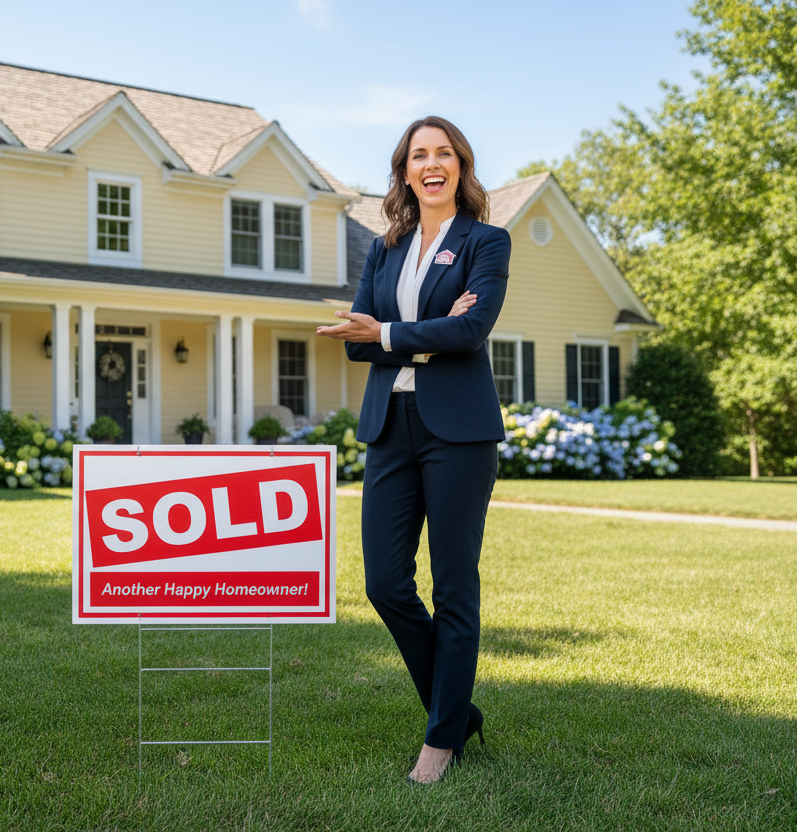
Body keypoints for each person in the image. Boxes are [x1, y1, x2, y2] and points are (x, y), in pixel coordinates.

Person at [316, 116, 510, 783]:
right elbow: (357, 338)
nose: (432, 163)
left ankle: (440, 739)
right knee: (384, 584)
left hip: (460, 432)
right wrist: (426, 331)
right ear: (404, 170)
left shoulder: (488, 241)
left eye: (444, 153)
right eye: (418, 155)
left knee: (454, 585)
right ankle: (456, 712)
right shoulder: (384, 248)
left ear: (461, 165)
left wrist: (394, 332)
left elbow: (474, 328)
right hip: (389, 427)